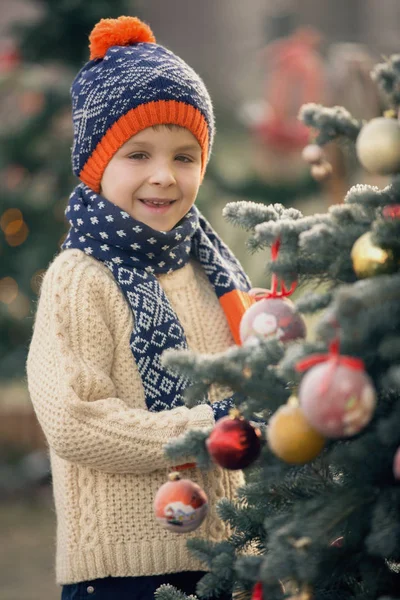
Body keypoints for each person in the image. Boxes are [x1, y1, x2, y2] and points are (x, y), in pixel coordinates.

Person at [27, 15, 255, 600]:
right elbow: (74, 420)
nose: (163, 176)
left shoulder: (214, 268)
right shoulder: (80, 278)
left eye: (184, 156)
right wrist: (211, 428)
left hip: (232, 555)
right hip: (127, 570)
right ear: (99, 165)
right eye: (138, 154)